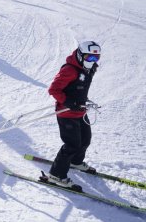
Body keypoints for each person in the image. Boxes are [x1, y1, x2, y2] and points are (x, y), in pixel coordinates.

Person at [47, 41, 101, 188]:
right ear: (80, 54)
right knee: (72, 144)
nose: (93, 61)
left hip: (80, 111)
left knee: (85, 140)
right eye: (90, 58)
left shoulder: (88, 69)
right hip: (66, 113)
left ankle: (75, 162)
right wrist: (69, 102)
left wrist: (84, 100)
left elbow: (78, 88)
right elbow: (54, 90)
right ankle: (56, 175)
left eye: (96, 58)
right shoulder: (70, 70)